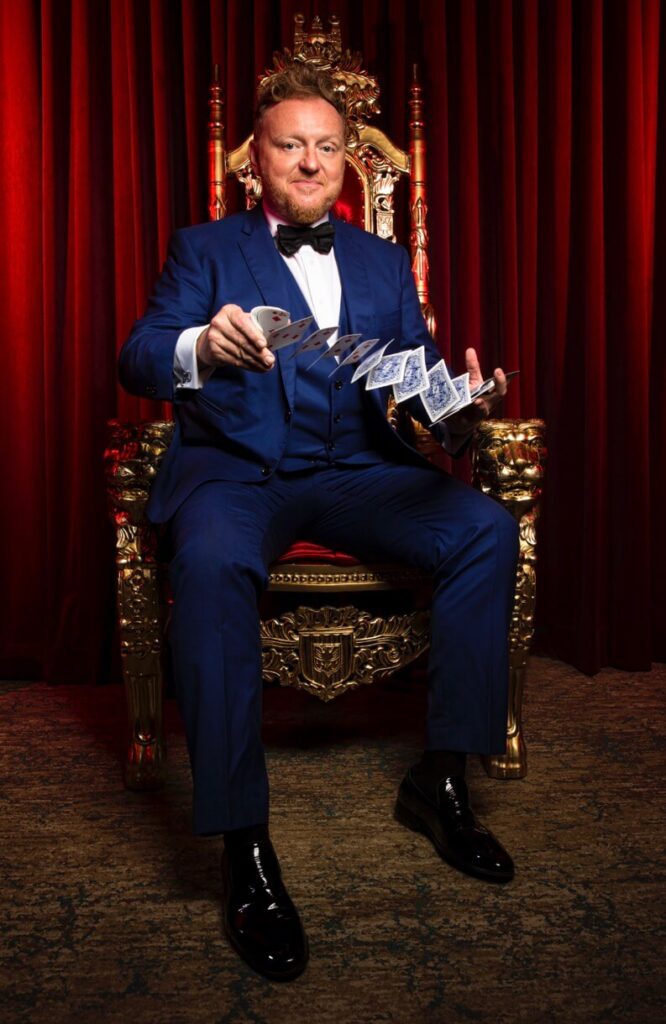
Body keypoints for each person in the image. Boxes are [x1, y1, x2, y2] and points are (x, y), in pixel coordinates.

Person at [119, 63, 519, 982]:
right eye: (289, 144)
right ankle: (243, 844)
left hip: (359, 473)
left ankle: (444, 779)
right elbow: (138, 355)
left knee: (486, 529)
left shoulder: (381, 263)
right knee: (213, 566)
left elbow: (413, 398)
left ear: (349, 163)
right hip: (240, 475)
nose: (310, 162)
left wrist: (461, 408)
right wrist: (195, 346)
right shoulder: (205, 247)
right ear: (255, 160)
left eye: (327, 146)